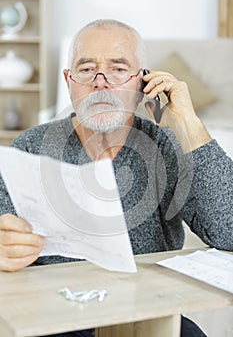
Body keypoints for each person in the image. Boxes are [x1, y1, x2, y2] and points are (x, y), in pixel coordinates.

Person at [0, 19, 232, 337]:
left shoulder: (167, 146)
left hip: (149, 309)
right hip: (55, 314)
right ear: (68, 81)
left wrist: (188, 123)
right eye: (86, 69)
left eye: (119, 69)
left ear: (142, 84)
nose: (101, 82)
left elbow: (229, 231)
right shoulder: (29, 147)